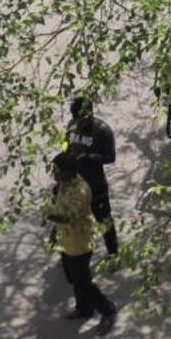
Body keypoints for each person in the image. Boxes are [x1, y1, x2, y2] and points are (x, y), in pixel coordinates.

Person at [46, 153, 117, 330]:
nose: (53, 173)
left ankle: (107, 310)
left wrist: (47, 214)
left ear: (68, 172)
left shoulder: (81, 190)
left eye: (57, 170)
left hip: (79, 244)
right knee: (74, 279)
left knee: (84, 283)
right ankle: (84, 309)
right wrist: (54, 231)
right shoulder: (63, 184)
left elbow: (70, 217)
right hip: (66, 242)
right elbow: (59, 208)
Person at [67, 96, 119, 257]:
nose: (76, 121)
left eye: (79, 118)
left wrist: (89, 157)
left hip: (96, 186)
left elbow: (110, 157)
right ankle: (79, 251)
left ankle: (113, 253)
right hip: (76, 183)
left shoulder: (103, 130)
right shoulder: (72, 125)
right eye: (74, 117)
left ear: (89, 114)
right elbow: (66, 144)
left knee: (104, 221)